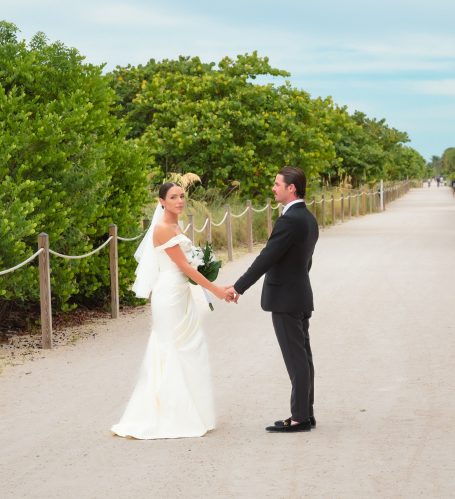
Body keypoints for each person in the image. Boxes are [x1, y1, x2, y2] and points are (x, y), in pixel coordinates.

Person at [111, 182, 232, 439]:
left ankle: (189, 410)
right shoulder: (163, 229)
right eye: (173, 197)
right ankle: (170, 415)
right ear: (161, 202)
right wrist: (216, 289)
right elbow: (185, 267)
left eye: (182, 196)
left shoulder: (177, 225)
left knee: (189, 346)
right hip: (169, 294)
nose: (179, 201)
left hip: (181, 293)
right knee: (172, 348)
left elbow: (189, 264)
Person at [226, 167, 319, 433]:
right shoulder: (308, 218)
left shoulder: (290, 220)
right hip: (300, 295)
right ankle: (306, 413)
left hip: (286, 300)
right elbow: (305, 261)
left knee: (296, 359)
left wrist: (239, 286)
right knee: (304, 357)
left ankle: (300, 418)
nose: (273, 187)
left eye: (277, 184)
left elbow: (267, 257)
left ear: (291, 188)